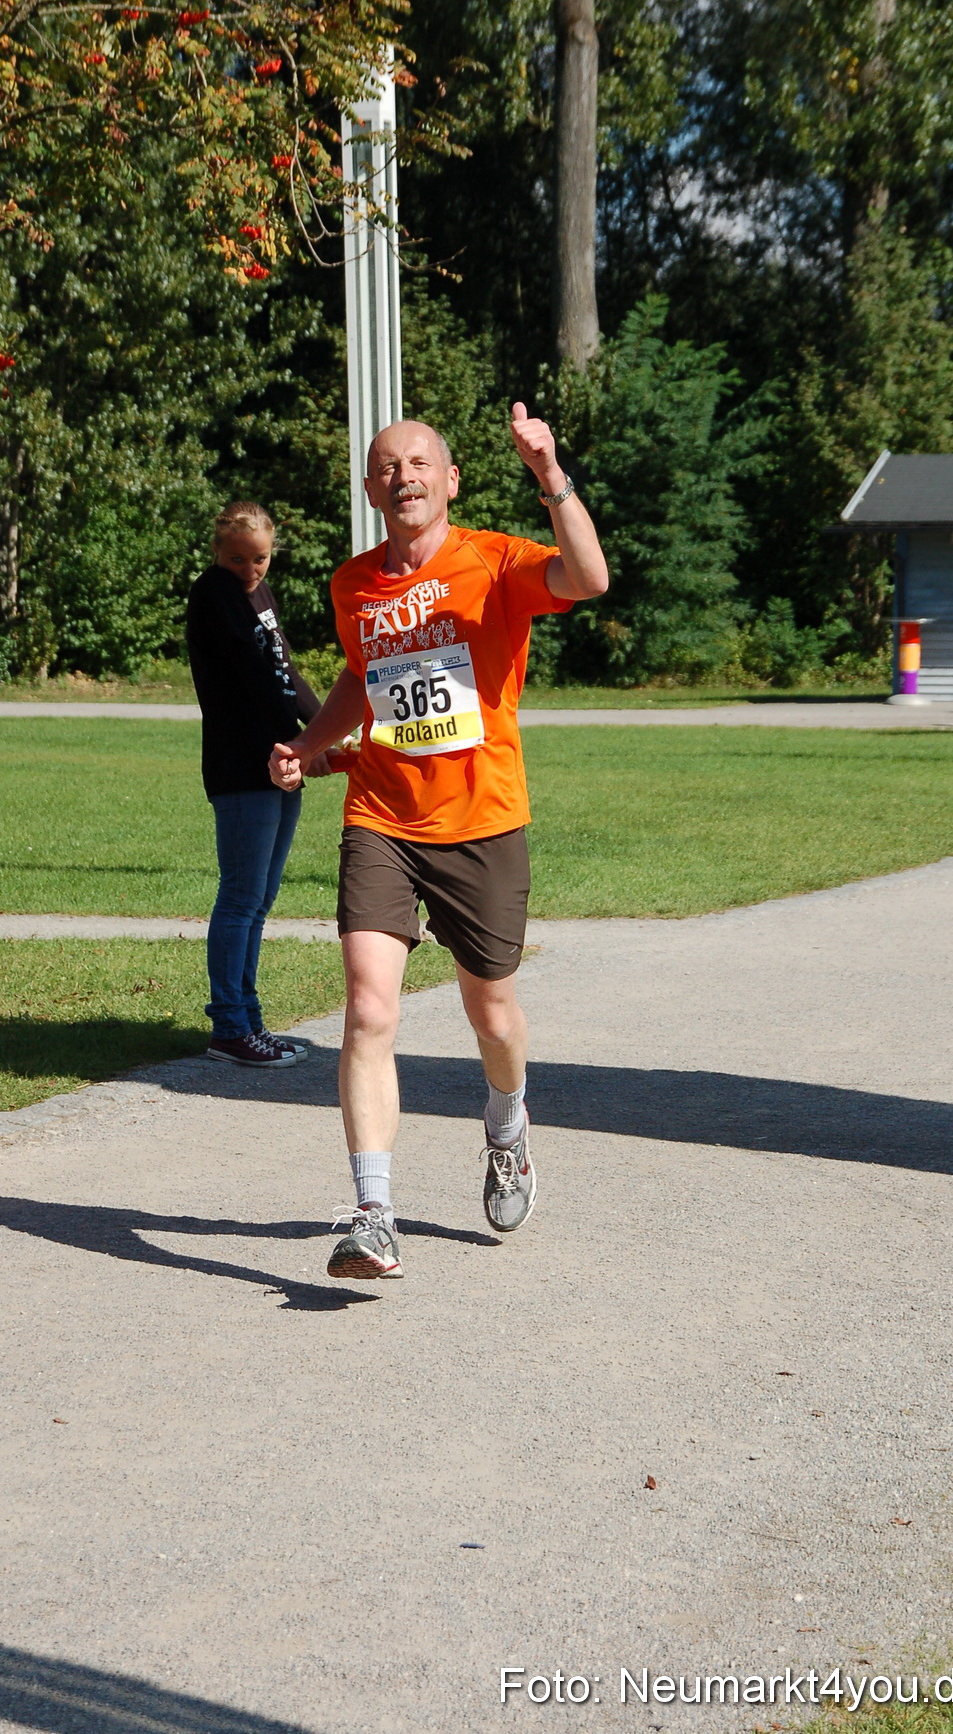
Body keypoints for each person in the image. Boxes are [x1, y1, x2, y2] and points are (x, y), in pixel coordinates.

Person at [269, 405, 609, 1277]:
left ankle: (507, 1125)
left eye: (420, 461)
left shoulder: (494, 561)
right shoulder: (353, 585)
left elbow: (590, 577)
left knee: (489, 1008)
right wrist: (310, 746)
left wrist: (550, 475)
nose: (404, 475)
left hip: (483, 820)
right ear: (371, 486)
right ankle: (373, 1212)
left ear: (449, 479)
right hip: (381, 813)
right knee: (368, 1007)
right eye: (387, 465)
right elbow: (360, 675)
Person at [187, 500, 331, 1069]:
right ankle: (229, 1025)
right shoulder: (216, 594)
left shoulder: (259, 596)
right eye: (238, 558)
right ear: (219, 552)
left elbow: (285, 671)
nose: (250, 570)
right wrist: (310, 741)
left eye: (261, 560)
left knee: (260, 900)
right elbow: (254, 677)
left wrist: (322, 732)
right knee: (242, 897)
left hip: (279, 761)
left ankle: (249, 1021)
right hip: (242, 765)